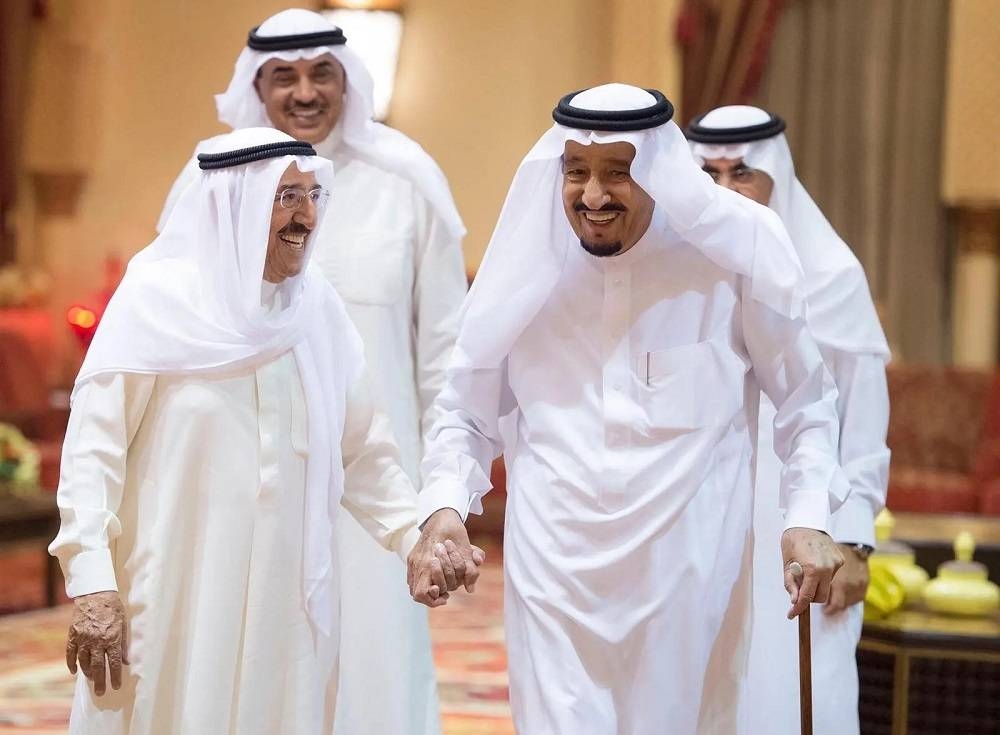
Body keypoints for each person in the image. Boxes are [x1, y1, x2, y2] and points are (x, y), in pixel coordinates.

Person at [412, 83, 848, 734]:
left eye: (618, 172)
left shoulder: (729, 257)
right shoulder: (526, 266)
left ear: (661, 172)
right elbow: (464, 411)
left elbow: (807, 400)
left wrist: (809, 514)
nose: (593, 195)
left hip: (689, 580)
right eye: (576, 171)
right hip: (552, 579)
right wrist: (445, 506)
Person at [49, 128, 478, 734]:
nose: (306, 216)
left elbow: (364, 453)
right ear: (236, 205)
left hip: (286, 605)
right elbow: (92, 456)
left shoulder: (316, 310)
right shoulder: (156, 301)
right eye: (286, 197)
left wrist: (415, 540)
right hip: (170, 593)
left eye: (312, 196)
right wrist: (92, 581)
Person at [157, 10, 468, 732]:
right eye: (284, 77)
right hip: (244, 479)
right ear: (255, 86)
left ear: (347, 81)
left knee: (376, 654)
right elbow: (169, 337)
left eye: (321, 73)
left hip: (375, 478)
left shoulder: (407, 181)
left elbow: (447, 353)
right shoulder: (210, 183)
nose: (304, 93)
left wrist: (442, 489)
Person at [688, 104, 890, 735]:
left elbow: (863, 424)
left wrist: (853, 541)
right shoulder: (678, 276)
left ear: (776, 175)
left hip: (806, 528)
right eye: (710, 173)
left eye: (742, 172)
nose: (727, 189)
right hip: (700, 524)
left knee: (800, 692)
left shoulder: (832, 275)